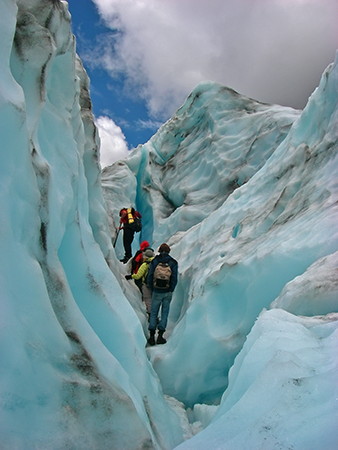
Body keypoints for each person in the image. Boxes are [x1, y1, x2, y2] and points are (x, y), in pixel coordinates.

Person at [146, 243, 178, 345]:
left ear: (159, 250)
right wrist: (171, 289)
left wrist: (152, 287)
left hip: (156, 291)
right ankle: (160, 336)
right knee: (164, 313)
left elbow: (150, 275)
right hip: (167, 291)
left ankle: (151, 336)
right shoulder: (173, 262)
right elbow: (174, 278)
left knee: (154, 312)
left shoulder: (155, 261)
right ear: (168, 251)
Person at [125, 248, 155, 318]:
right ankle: (156, 316)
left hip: (147, 285)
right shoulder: (157, 263)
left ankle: (151, 316)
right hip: (156, 285)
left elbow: (138, 276)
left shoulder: (145, 264)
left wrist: (130, 276)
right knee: (154, 300)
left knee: (148, 300)